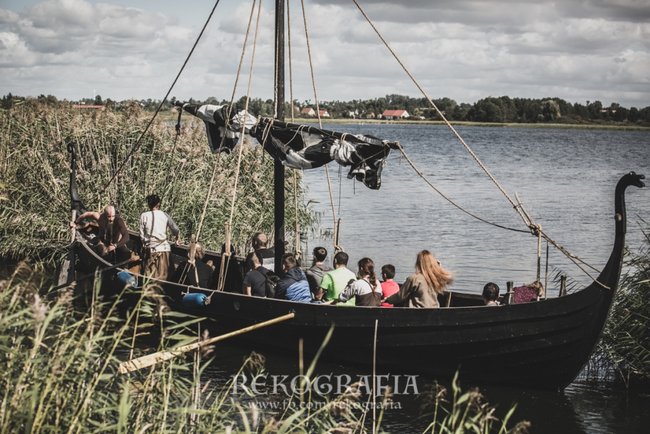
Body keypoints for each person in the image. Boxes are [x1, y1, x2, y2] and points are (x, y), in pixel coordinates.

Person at [385, 250, 454, 308]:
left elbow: (400, 297)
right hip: (435, 312)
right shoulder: (436, 279)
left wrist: (387, 299)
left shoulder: (414, 279)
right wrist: (438, 267)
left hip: (415, 314)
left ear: (418, 263)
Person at [139, 194, 180, 281]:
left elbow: (142, 236)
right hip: (164, 250)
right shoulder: (164, 215)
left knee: (150, 278)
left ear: (149, 204)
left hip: (150, 251)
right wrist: (177, 238)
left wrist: (146, 244)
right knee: (166, 277)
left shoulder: (144, 216)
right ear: (158, 204)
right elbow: (175, 229)